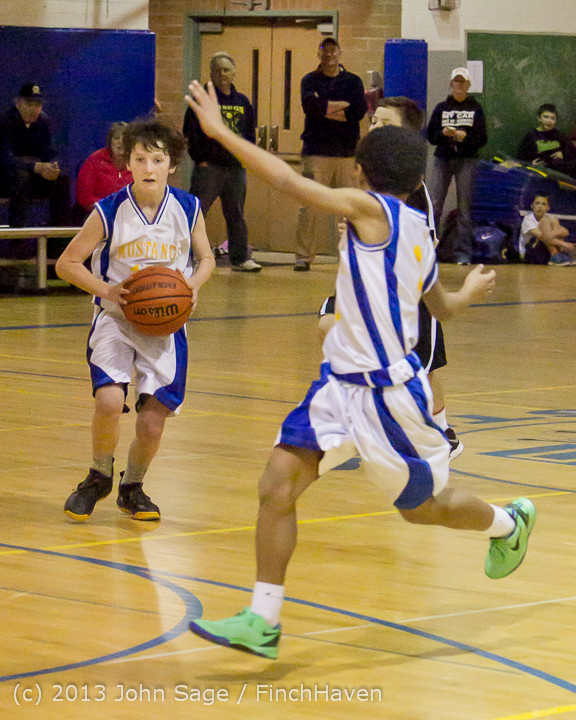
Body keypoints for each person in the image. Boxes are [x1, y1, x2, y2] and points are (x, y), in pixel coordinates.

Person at [184, 80, 536, 660]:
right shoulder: (419, 230)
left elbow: (287, 182)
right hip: (337, 387)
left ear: (359, 172)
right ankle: (262, 620)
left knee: (422, 511)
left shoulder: (374, 211)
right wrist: (469, 291)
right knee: (276, 485)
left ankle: (507, 522)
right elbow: (441, 308)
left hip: (388, 397)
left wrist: (220, 133)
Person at [56, 119, 215, 522]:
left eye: (157, 160)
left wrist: (192, 285)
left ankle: (133, 487)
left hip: (166, 326)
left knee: (152, 423)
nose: (148, 168)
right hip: (116, 318)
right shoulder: (108, 210)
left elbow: (206, 258)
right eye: (140, 159)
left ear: (172, 165)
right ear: (127, 163)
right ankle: (98, 476)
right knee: (109, 400)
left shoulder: (188, 207)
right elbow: (67, 263)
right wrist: (108, 291)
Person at [320, 96, 463, 459]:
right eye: (373, 121)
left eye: (385, 123)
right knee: (327, 325)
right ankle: (358, 413)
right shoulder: (367, 181)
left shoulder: (411, 189)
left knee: (426, 368)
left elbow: (424, 245)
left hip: (407, 293)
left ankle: (441, 432)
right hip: (364, 288)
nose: (375, 127)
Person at [183, 51, 261, 272]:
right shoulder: (202, 100)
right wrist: (200, 159)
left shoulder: (242, 101)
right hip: (209, 169)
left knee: (236, 215)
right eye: (217, 70)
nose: (222, 74)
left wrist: (245, 156)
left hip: (235, 169)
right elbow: (189, 132)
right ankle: (184, 258)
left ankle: (240, 259)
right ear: (211, 73)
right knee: (196, 214)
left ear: (234, 73)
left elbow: (249, 133)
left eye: (226, 70)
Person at [294, 37, 367, 271]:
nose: (329, 56)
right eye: (325, 52)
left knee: (349, 207)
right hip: (316, 152)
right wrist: (340, 106)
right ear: (319, 54)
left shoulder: (354, 82)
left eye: (333, 52)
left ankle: (351, 255)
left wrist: (325, 108)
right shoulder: (309, 80)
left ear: (340, 54)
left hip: (347, 154)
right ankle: (303, 257)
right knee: (310, 207)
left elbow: (357, 112)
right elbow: (311, 108)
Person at [427, 68, 487, 266]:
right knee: (435, 204)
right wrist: (444, 134)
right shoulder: (441, 107)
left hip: (467, 160)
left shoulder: (476, 108)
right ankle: (430, 250)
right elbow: (431, 135)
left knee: (464, 208)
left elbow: (482, 138)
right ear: (451, 84)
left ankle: (463, 253)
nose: (459, 85)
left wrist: (465, 138)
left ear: (468, 85)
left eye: (463, 82)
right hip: (443, 159)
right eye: (456, 81)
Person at [0, 81, 71, 228]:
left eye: (38, 105)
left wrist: (53, 167)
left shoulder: (44, 122)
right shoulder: (4, 121)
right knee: (21, 178)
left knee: (62, 181)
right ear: (18, 103)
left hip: (33, 178)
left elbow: (51, 152)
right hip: (5, 179)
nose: (34, 109)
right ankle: (17, 235)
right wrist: (34, 166)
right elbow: (4, 159)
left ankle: (57, 235)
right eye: (29, 104)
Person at [75, 122, 133, 220]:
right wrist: (109, 208)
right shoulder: (95, 160)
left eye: (125, 138)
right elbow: (84, 196)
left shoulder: (137, 160)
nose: (121, 142)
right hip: (99, 214)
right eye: (116, 138)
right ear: (109, 142)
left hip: (131, 215)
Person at [517, 104, 576, 176]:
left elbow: (572, 154)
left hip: (560, 174)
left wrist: (563, 155)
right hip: (539, 173)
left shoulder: (560, 135)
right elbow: (520, 157)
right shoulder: (531, 136)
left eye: (553, 118)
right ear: (539, 118)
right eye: (546, 117)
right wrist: (530, 164)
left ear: (556, 120)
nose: (549, 121)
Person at [520, 193, 575, 266]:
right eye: (537, 203)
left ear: (548, 207)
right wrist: (564, 244)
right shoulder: (528, 219)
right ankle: (555, 254)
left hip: (545, 251)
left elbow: (565, 232)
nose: (540, 206)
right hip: (530, 253)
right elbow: (542, 237)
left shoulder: (551, 218)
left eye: (543, 204)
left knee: (551, 222)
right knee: (546, 223)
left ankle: (557, 255)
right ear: (532, 206)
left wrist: (553, 233)